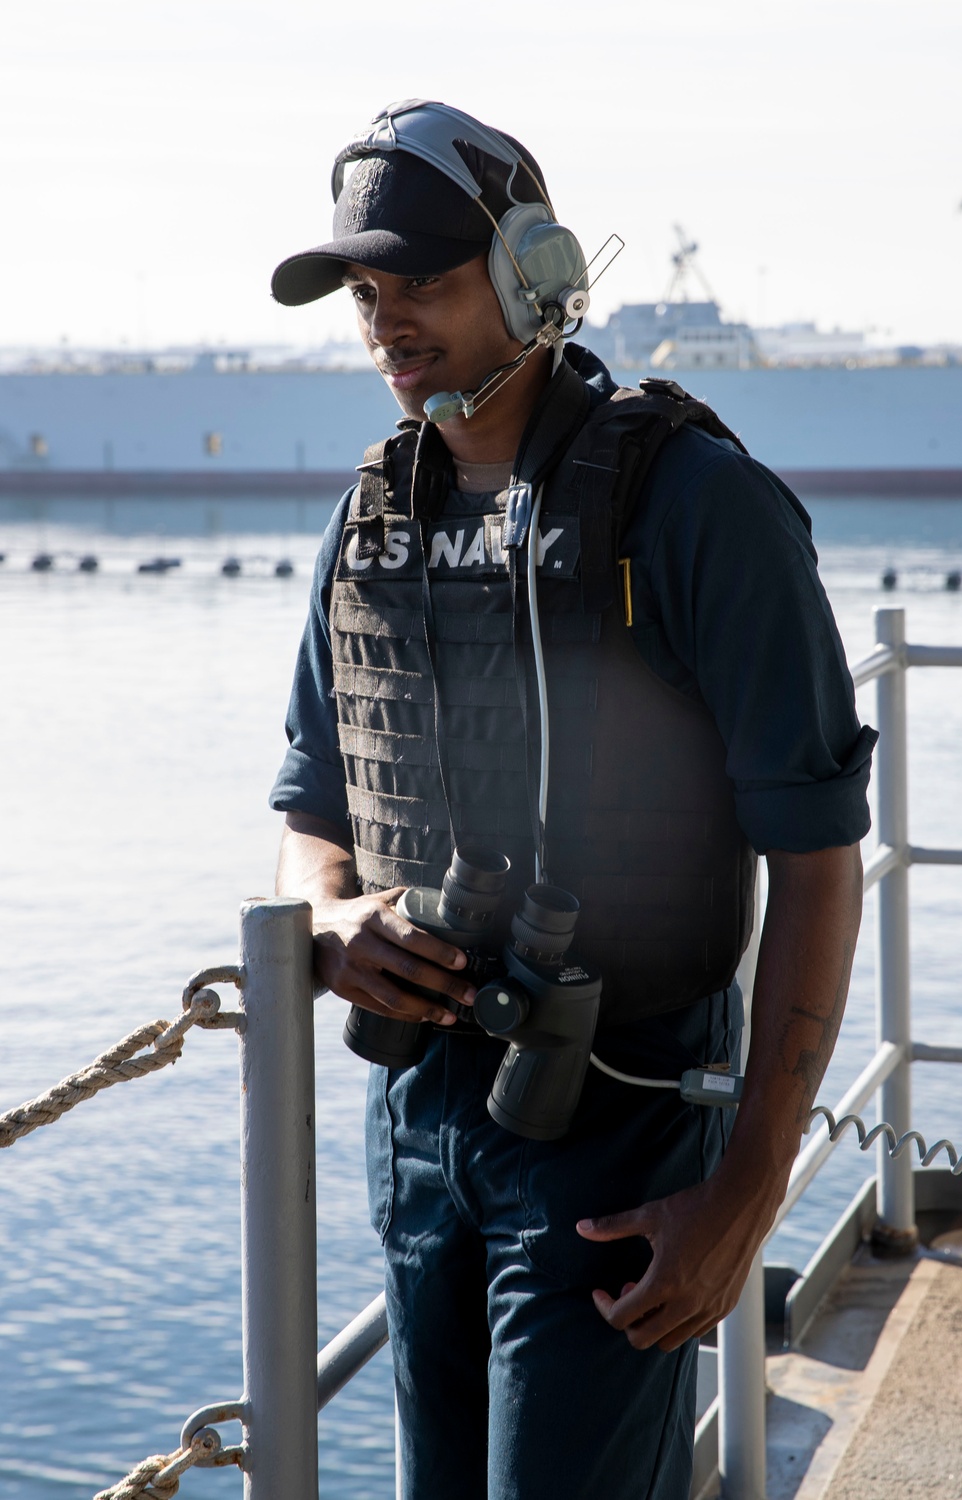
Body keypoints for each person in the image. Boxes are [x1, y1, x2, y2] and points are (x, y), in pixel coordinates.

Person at [269, 100, 873, 1500]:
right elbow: (312, 800)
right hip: (417, 1121)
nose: (384, 321)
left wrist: (746, 1194)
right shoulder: (371, 519)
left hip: (625, 1122)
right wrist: (333, 915)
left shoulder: (699, 506)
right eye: (365, 290)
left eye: (421, 278)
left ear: (534, 270)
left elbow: (821, 860)